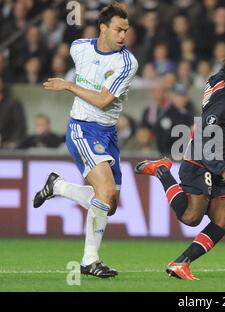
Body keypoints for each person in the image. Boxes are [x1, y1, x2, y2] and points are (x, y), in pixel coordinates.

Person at [134, 8, 225, 281]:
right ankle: (163, 171)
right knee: (190, 218)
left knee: (223, 220)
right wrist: (223, 169)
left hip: (216, 160)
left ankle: (181, 263)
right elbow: (207, 139)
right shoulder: (221, 105)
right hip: (202, 160)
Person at [32, 3, 138, 278]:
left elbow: (104, 101)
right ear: (102, 28)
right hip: (82, 129)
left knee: (110, 204)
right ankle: (90, 260)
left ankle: (58, 186)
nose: (123, 35)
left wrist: (68, 85)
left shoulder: (126, 62)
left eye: (126, 30)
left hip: (108, 133)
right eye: (118, 29)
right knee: (104, 194)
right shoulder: (79, 47)